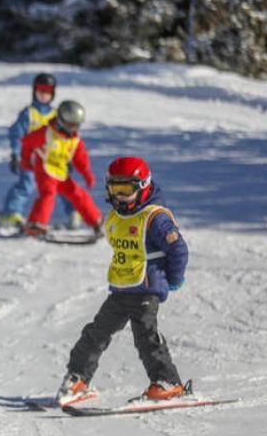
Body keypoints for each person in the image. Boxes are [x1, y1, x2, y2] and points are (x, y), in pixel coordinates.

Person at [56, 157, 189, 405]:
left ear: (143, 186)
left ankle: (168, 383)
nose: (119, 197)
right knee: (95, 334)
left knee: (146, 337)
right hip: (121, 288)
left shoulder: (155, 218)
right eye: (114, 190)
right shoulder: (117, 216)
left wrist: (173, 279)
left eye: (125, 190)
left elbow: (178, 250)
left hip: (147, 288)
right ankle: (78, 379)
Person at [1, 73, 78, 227]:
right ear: (34, 91)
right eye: (40, 90)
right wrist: (16, 154)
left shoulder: (57, 115)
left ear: (53, 93)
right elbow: (16, 134)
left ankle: (74, 213)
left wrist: (69, 159)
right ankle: (11, 213)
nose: (43, 95)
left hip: (53, 160)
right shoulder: (28, 114)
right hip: (32, 160)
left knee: (63, 185)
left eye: (47, 91)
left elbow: (66, 139)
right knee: (26, 185)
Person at [19, 100, 103, 237]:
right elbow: (27, 142)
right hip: (44, 169)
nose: (73, 129)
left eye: (76, 125)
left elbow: (80, 158)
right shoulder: (46, 133)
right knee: (48, 194)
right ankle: (36, 224)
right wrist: (26, 160)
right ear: (61, 120)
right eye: (70, 125)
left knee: (78, 194)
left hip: (60, 172)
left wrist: (86, 173)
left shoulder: (74, 140)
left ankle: (96, 221)